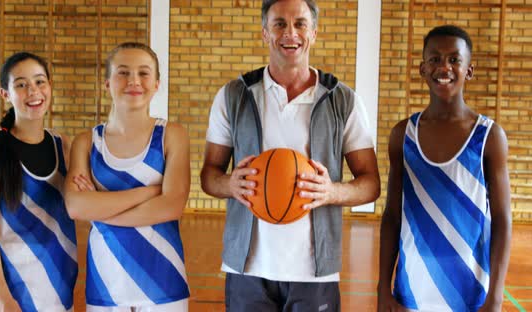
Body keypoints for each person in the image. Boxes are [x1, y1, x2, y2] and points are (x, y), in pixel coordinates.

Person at [200, 0, 381, 310]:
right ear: (264, 33)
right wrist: (229, 184)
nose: (290, 33)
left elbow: (370, 184)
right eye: (279, 24)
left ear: (313, 33)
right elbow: (209, 176)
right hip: (248, 268)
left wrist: (332, 191)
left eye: (300, 24)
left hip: (314, 272)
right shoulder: (234, 95)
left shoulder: (342, 99)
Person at [377, 25, 512, 312]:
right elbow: (391, 215)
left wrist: (496, 297)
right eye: (435, 59)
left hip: (471, 295)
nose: (444, 67)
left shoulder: (489, 137)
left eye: (454, 59)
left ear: (469, 70)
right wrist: (382, 288)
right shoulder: (403, 135)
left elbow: (502, 220)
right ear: (422, 69)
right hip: (411, 291)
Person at [64, 42, 190, 311]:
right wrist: (150, 192)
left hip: (164, 282)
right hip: (106, 284)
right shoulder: (86, 142)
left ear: (157, 84)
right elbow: (76, 206)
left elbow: (172, 205)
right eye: (123, 72)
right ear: (107, 83)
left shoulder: (172, 135)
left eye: (144, 73)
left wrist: (99, 208)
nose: (134, 80)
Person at [0, 52, 78, 312]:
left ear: (50, 86)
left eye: (40, 82)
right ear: (5, 93)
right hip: (10, 291)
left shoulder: (63, 146)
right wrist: (3, 297)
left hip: (57, 286)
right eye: (21, 84)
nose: (33, 91)